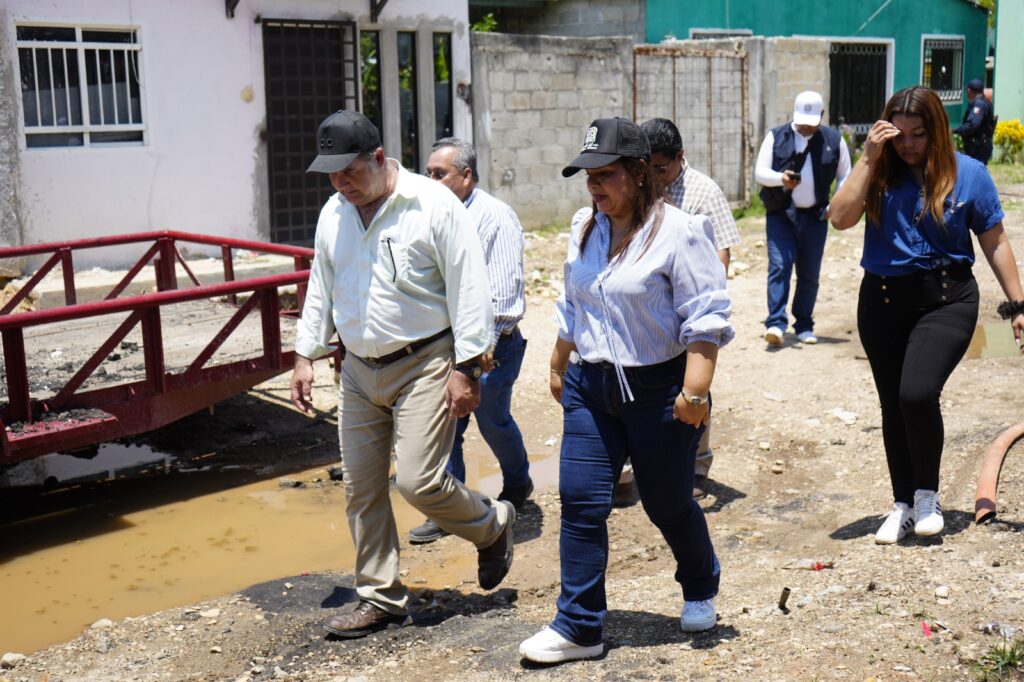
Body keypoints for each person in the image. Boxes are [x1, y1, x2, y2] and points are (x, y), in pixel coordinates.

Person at [290, 110, 515, 638]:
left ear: (377, 158)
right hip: (359, 369)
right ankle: (381, 597)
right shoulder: (334, 213)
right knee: (362, 489)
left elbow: (469, 287)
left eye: (349, 171)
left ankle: (491, 525)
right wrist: (305, 354)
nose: (341, 183)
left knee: (418, 481)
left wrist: (468, 368)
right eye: (331, 174)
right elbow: (321, 284)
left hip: (425, 362)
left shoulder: (432, 204)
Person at [518, 117, 733, 664]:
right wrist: (559, 360)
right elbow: (575, 301)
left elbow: (706, 319)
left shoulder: (682, 231)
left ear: (638, 174)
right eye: (587, 175)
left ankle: (700, 582)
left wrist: (696, 394)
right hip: (593, 387)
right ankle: (580, 627)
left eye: (606, 174)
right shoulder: (583, 227)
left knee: (667, 504)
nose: (594, 186)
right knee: (582, 502)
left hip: (660, 389)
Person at [830, 86, 1024, 544]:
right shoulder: (877, 172)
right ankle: (902, 503)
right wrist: (867, 158)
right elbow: (839, 218)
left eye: (918, 134)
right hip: (879, 301)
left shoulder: (969, 173)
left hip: (947, 298)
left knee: (916, 393)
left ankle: (926, 495)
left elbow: (994, 241)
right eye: (899, 135)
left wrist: (1018, 305)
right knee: (892, 404)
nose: (909, 144)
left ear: (936, 130)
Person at [407, 137, 533, 544]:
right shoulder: (427, 214)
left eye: (439, 173)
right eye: (427, 173)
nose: (431, 180)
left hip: (491, 344)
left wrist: (477, 360)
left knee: (491, 419)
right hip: (445, 342)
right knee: (448, 424)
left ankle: (518, 484)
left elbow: (502, 296)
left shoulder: (494, 216)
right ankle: (452, 508)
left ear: (467, 175)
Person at [641, 117, 741, 500]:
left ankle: (697, 466)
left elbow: (721, 255)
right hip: (648, 307)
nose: (653, 175)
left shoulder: (704, 192)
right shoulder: (642, 187)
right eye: (647, 168)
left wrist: (704, 313)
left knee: (694, 385)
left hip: (688, 309)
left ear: (680, 157)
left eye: (660, 168)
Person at [755, 90, 851, 346]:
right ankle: (775, 323)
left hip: (816, 215)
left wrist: (836, 203)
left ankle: (804, 325)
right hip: (781, 215)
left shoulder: (834, 140)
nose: (806, 128)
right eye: (802, 123)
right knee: (780, 267)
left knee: (809, 273)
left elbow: (845, 175)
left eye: (811, 124)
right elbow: (760, 172)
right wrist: (781, 179)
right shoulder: (776, 136)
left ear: (821, 117)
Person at [954, 78, 995, 165]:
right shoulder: (985, 102)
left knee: (976, 173)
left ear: (969, 90)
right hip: (981, 146)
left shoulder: (979, 104)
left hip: (979, 148)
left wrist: (956, 130)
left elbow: (973, 124)